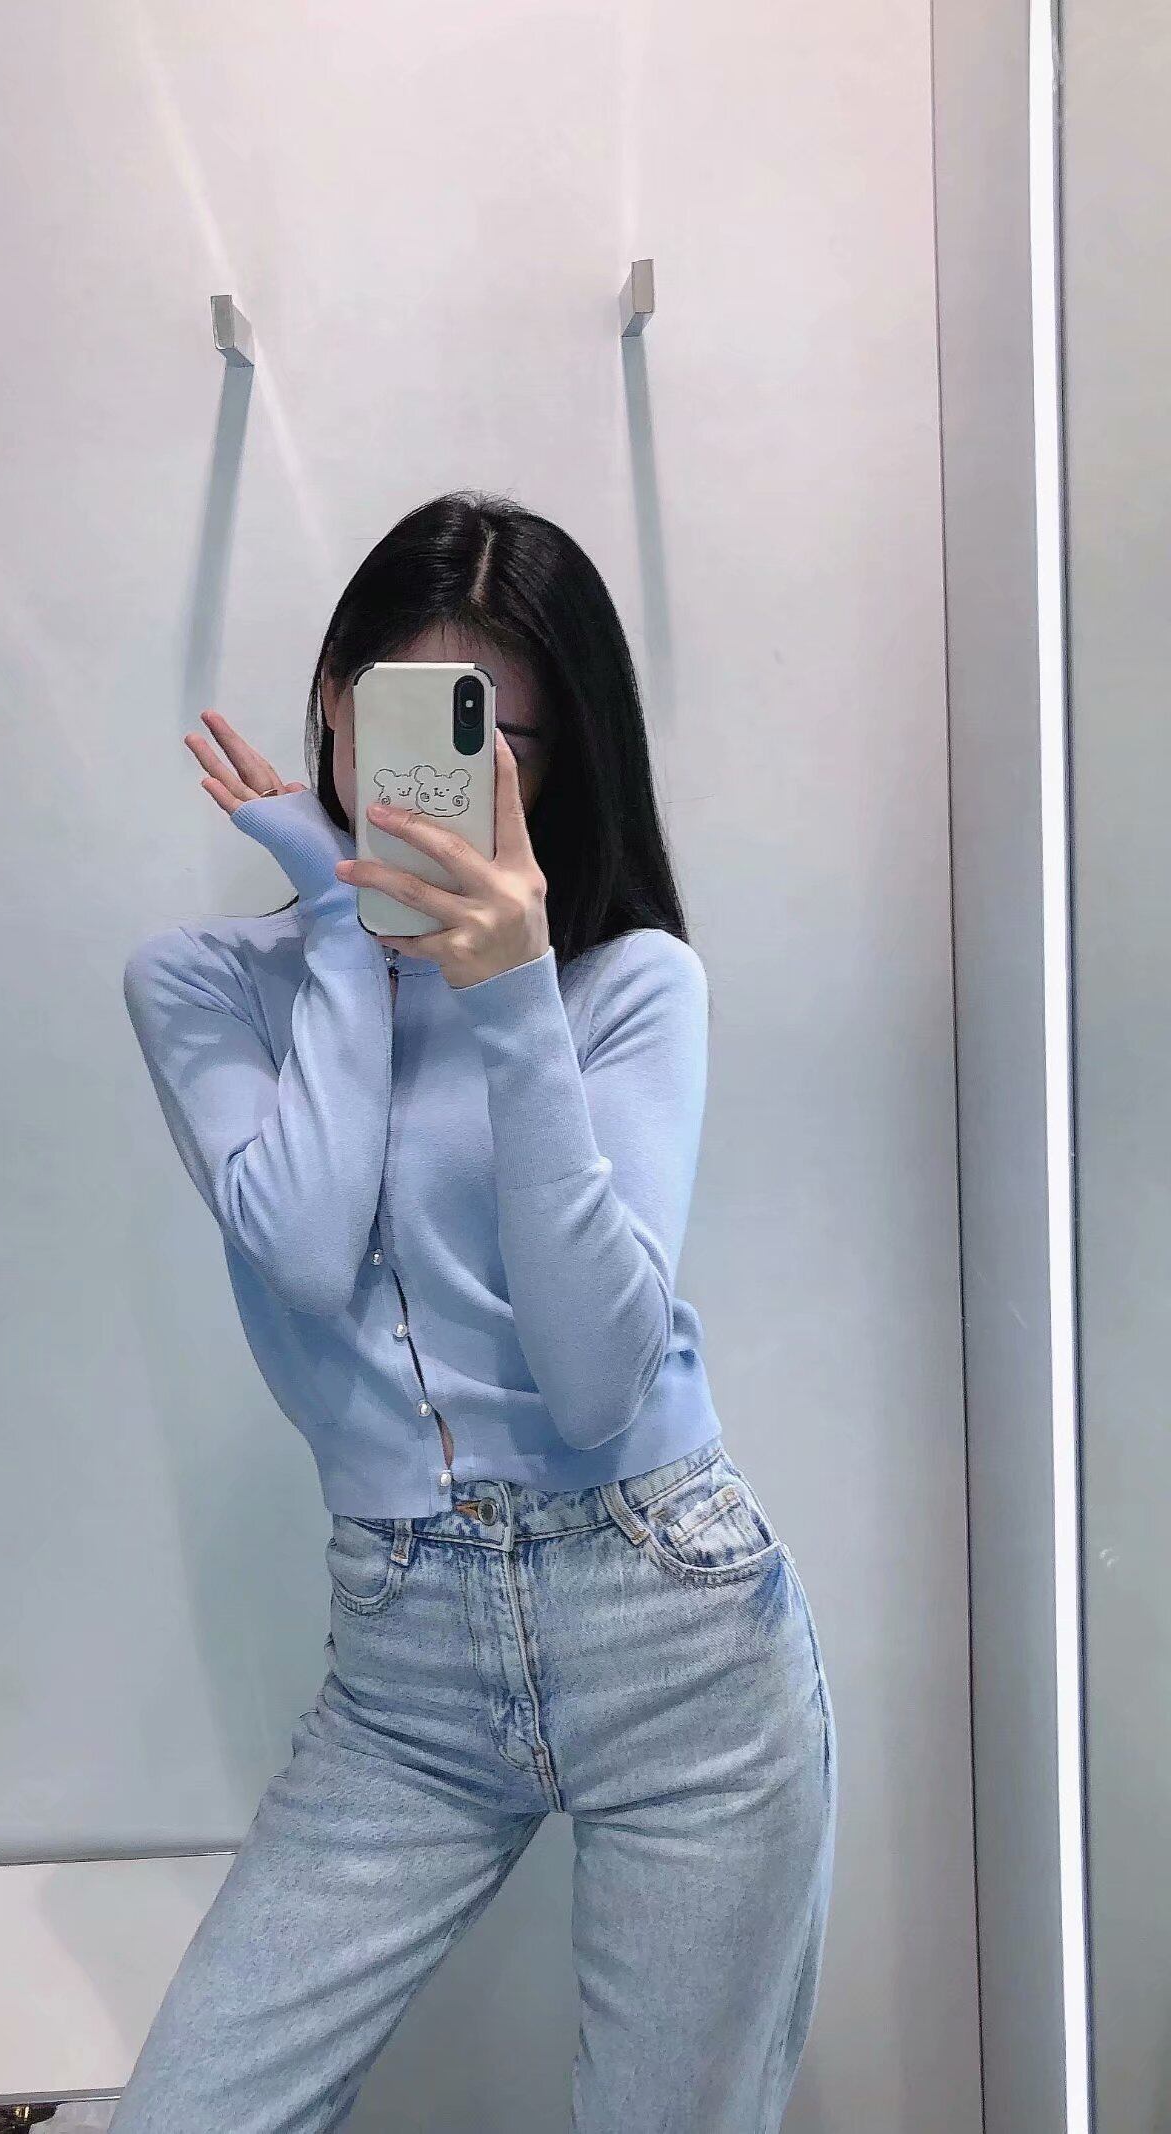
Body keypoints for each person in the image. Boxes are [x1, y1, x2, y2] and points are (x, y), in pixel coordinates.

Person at [116, 492, 836, 2132]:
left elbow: (595, 1380)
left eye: (501, 736)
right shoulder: (204, 984)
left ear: (559, 761)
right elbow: (305, 1248)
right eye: (412, 715)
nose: (446, 773)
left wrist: (508, 993)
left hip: (674, 1631)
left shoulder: (632, 986)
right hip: (408, 1668)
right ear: (332, 703)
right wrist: (341, 925)